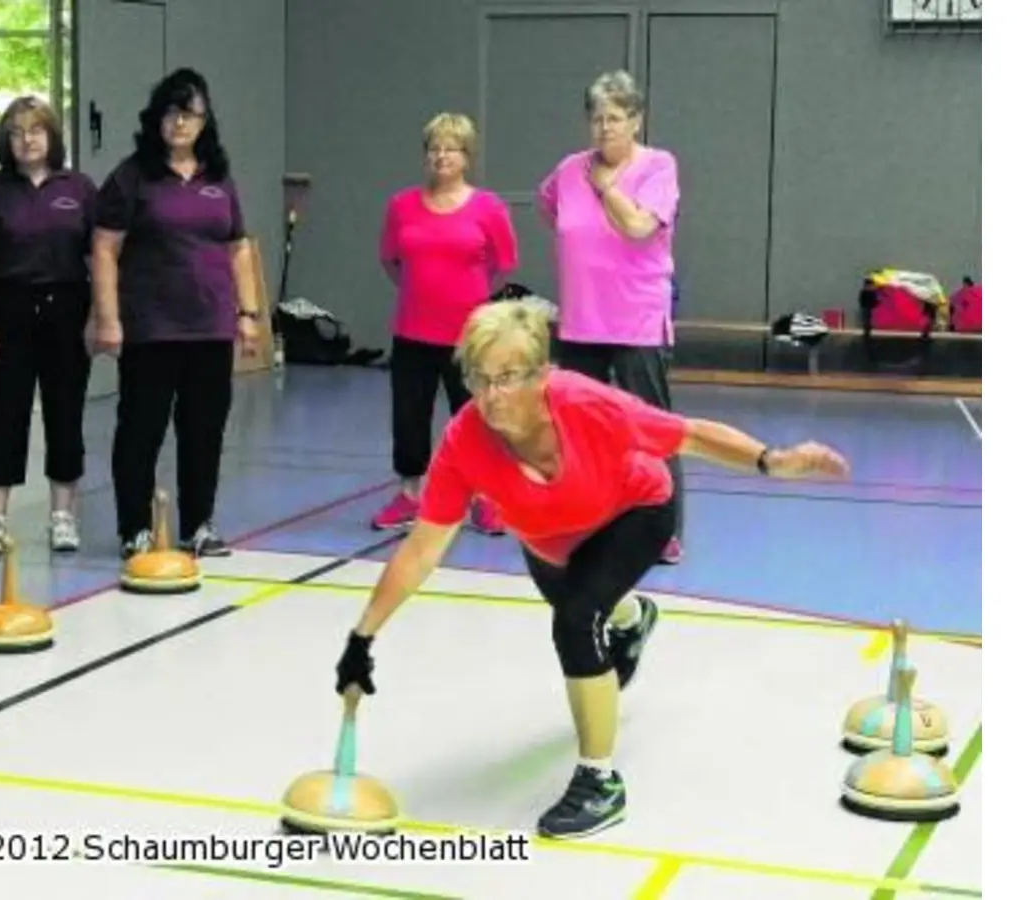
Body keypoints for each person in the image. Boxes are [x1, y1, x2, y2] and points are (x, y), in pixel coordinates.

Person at [331, 299, 850, 841]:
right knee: (584, 606)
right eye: (479, 378)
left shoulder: (584, 403)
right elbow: (421, 550)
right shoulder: (465, 441)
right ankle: (630, 618)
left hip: (637, 510)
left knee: (575, 620)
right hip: (551, 540)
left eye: (507, 377)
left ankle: (599, 782)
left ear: (541, 373)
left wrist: (771, 460)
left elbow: (688, 434)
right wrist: (361, 637)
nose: (490, 395)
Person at [90, 68, 263, 560]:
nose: (180, 122)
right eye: (171, 111)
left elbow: (238, 250)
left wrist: (248, 314)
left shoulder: (219, 179)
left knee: (204, 429)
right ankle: (134, 529)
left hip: (210, 326)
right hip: (151, 327)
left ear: (205, 121)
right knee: (141, 429)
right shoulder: (132, 176)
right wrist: (108, 318)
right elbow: (103, 249)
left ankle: (198, 526)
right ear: (156, 118)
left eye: (190, 113)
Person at [536, 70, 686, 564]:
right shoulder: (567, 169)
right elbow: (550, 208)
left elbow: (640, 227)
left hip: (637, 321)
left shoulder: (658, 166)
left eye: (615, 119)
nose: (604, 129)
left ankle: (664, 530)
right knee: (580, 431)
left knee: (651, 426)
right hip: (581, 322)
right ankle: (589, 522)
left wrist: (605, 188)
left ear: (636, 121)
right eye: (596, 119)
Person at [0, 96, 96, 555]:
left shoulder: (80, 189)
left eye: (35, 130)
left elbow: (100, 257)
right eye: (15, 132)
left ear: (52, 136)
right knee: (6, 414)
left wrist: (99, 316)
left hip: (68, 307)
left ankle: (63, 516)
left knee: (65, 412)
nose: (26, 139)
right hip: (9, 309)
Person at [371, 112, 519, 534]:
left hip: (469, 338)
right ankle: (410, 494)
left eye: (450, 148)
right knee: (409, 417)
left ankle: (485, 498)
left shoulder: (489, 208)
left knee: (475, 417)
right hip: (412, 333)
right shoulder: (401, 206)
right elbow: (389, 260)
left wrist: (467, 301)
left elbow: (502, 265)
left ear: (466, 156)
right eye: (434, 148)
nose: (441, 156)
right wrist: (420, 292)